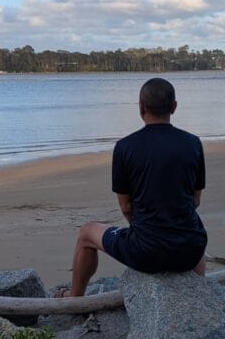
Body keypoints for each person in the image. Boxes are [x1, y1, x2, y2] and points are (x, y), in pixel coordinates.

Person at [62, 77, 208, 297]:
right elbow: (195, 201)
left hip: (146, 254)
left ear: (141, 107)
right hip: (189, 251)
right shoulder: (193, 143)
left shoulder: (125, 147)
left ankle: (74, 297)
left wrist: (143, 229)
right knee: (192, 230)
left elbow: (126, 207)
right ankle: (198, 295)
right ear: (174, 107)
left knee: (86, 233)